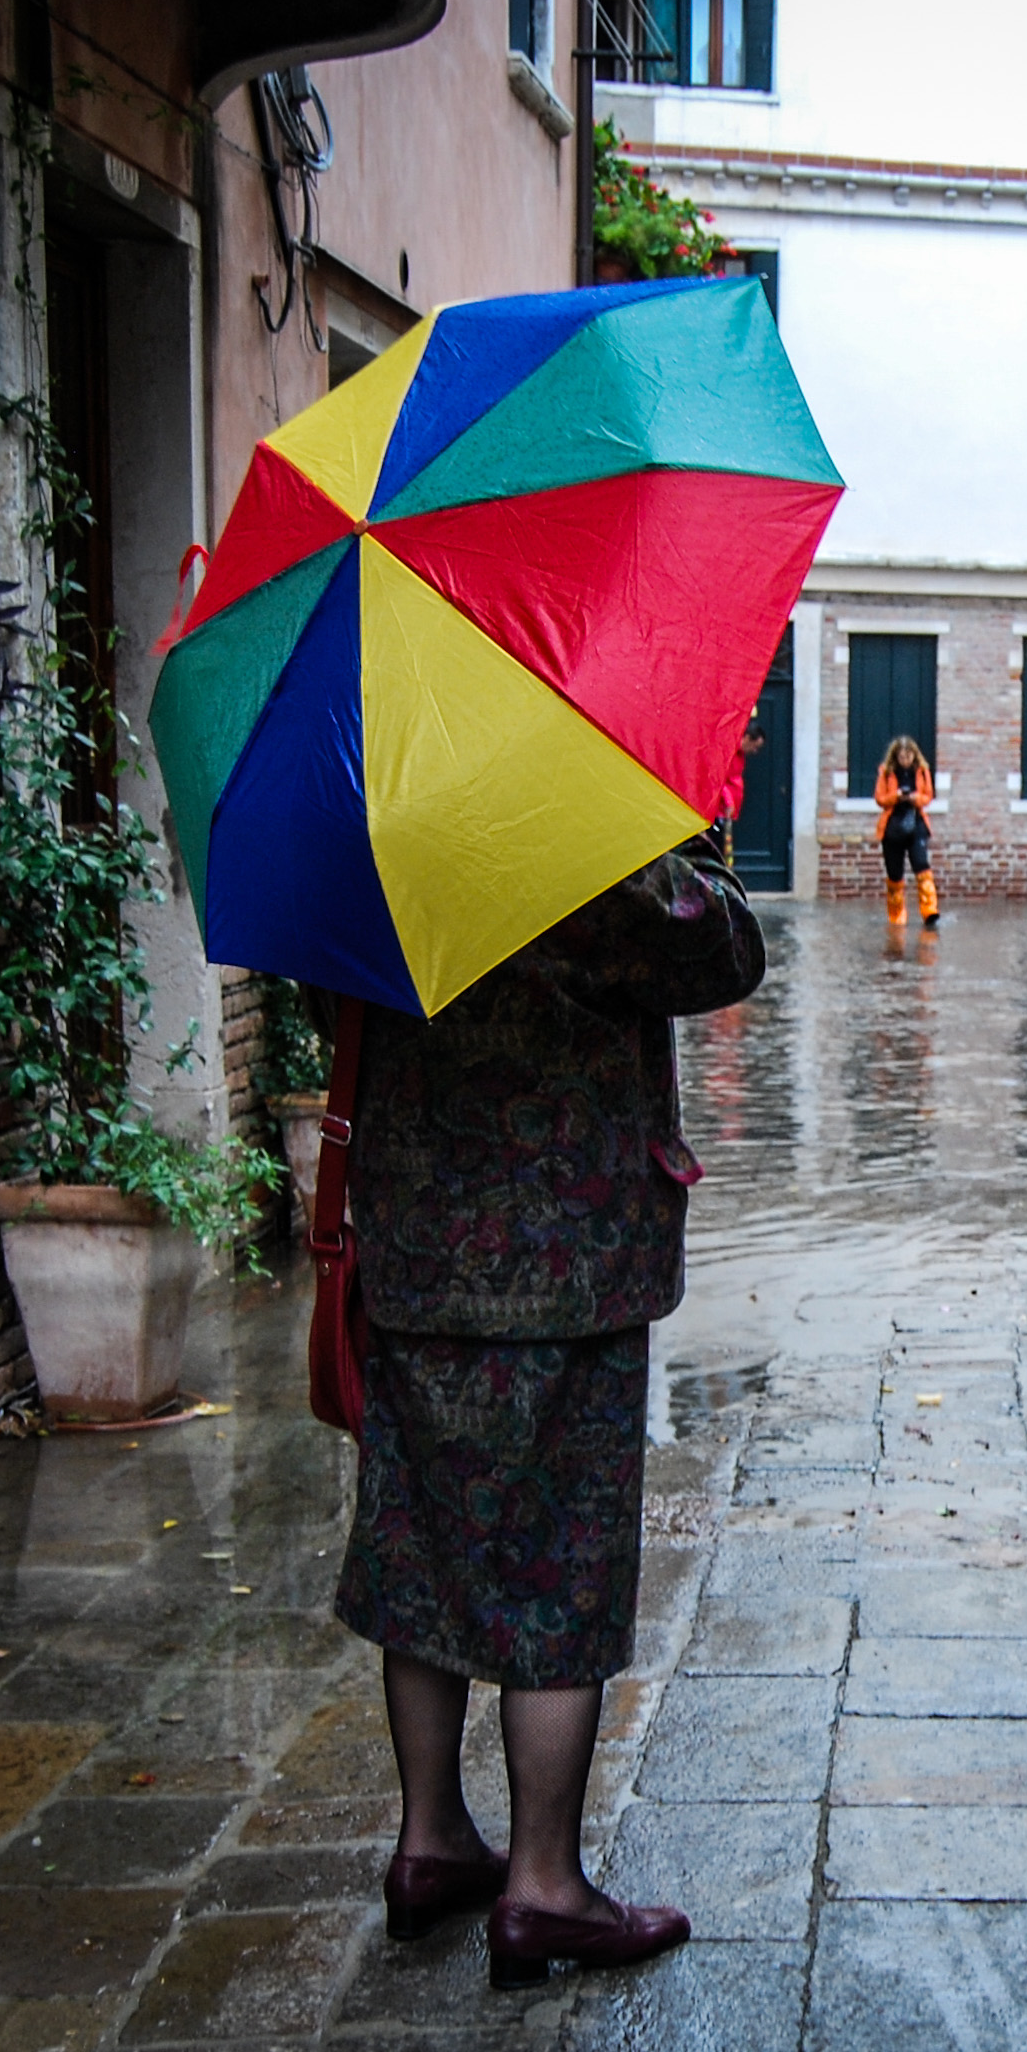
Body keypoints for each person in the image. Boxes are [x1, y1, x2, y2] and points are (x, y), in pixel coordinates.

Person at [331, 841, 763, 1989]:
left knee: (419, 1549)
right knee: (556, 1568)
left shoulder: (375, 826)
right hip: (566, 1257)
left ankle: (429, 1844)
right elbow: (714, 949)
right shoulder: (576, 826)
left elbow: (325, 983)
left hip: (419, 1242)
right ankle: (544, 1887)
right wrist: (685, 840)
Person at [874, 733, 941, 929]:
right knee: (895, 875)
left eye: (908, 756)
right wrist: (895, 796)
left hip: (916, 824)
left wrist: (915, 798)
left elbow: (928, 796)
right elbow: (880, 798)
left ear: (914, 755)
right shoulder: (886, 771)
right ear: (895, 757)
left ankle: (930, 911)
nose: (905, 761)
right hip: (892, 827)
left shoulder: (922, 771)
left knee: (921, 865)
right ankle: (897, 916)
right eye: (901, 757)